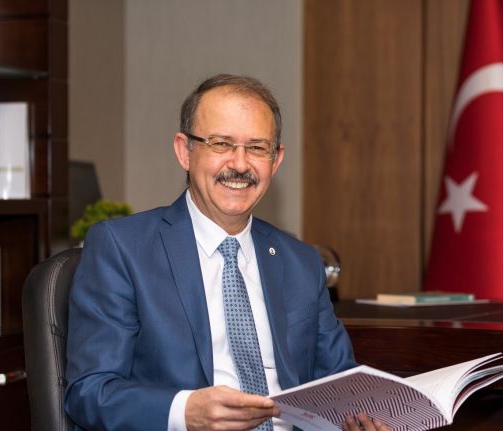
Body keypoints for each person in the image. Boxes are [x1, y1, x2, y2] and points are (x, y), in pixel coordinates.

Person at [64, 74, 391, 431]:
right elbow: (89, 392)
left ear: (276, 160)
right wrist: (185, 411)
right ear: (184, 151)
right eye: (221, 144)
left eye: (257, 148)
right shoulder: (123, 248)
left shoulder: (302, 262)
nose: (239, 164)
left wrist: (364, 419)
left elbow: (340, 382)